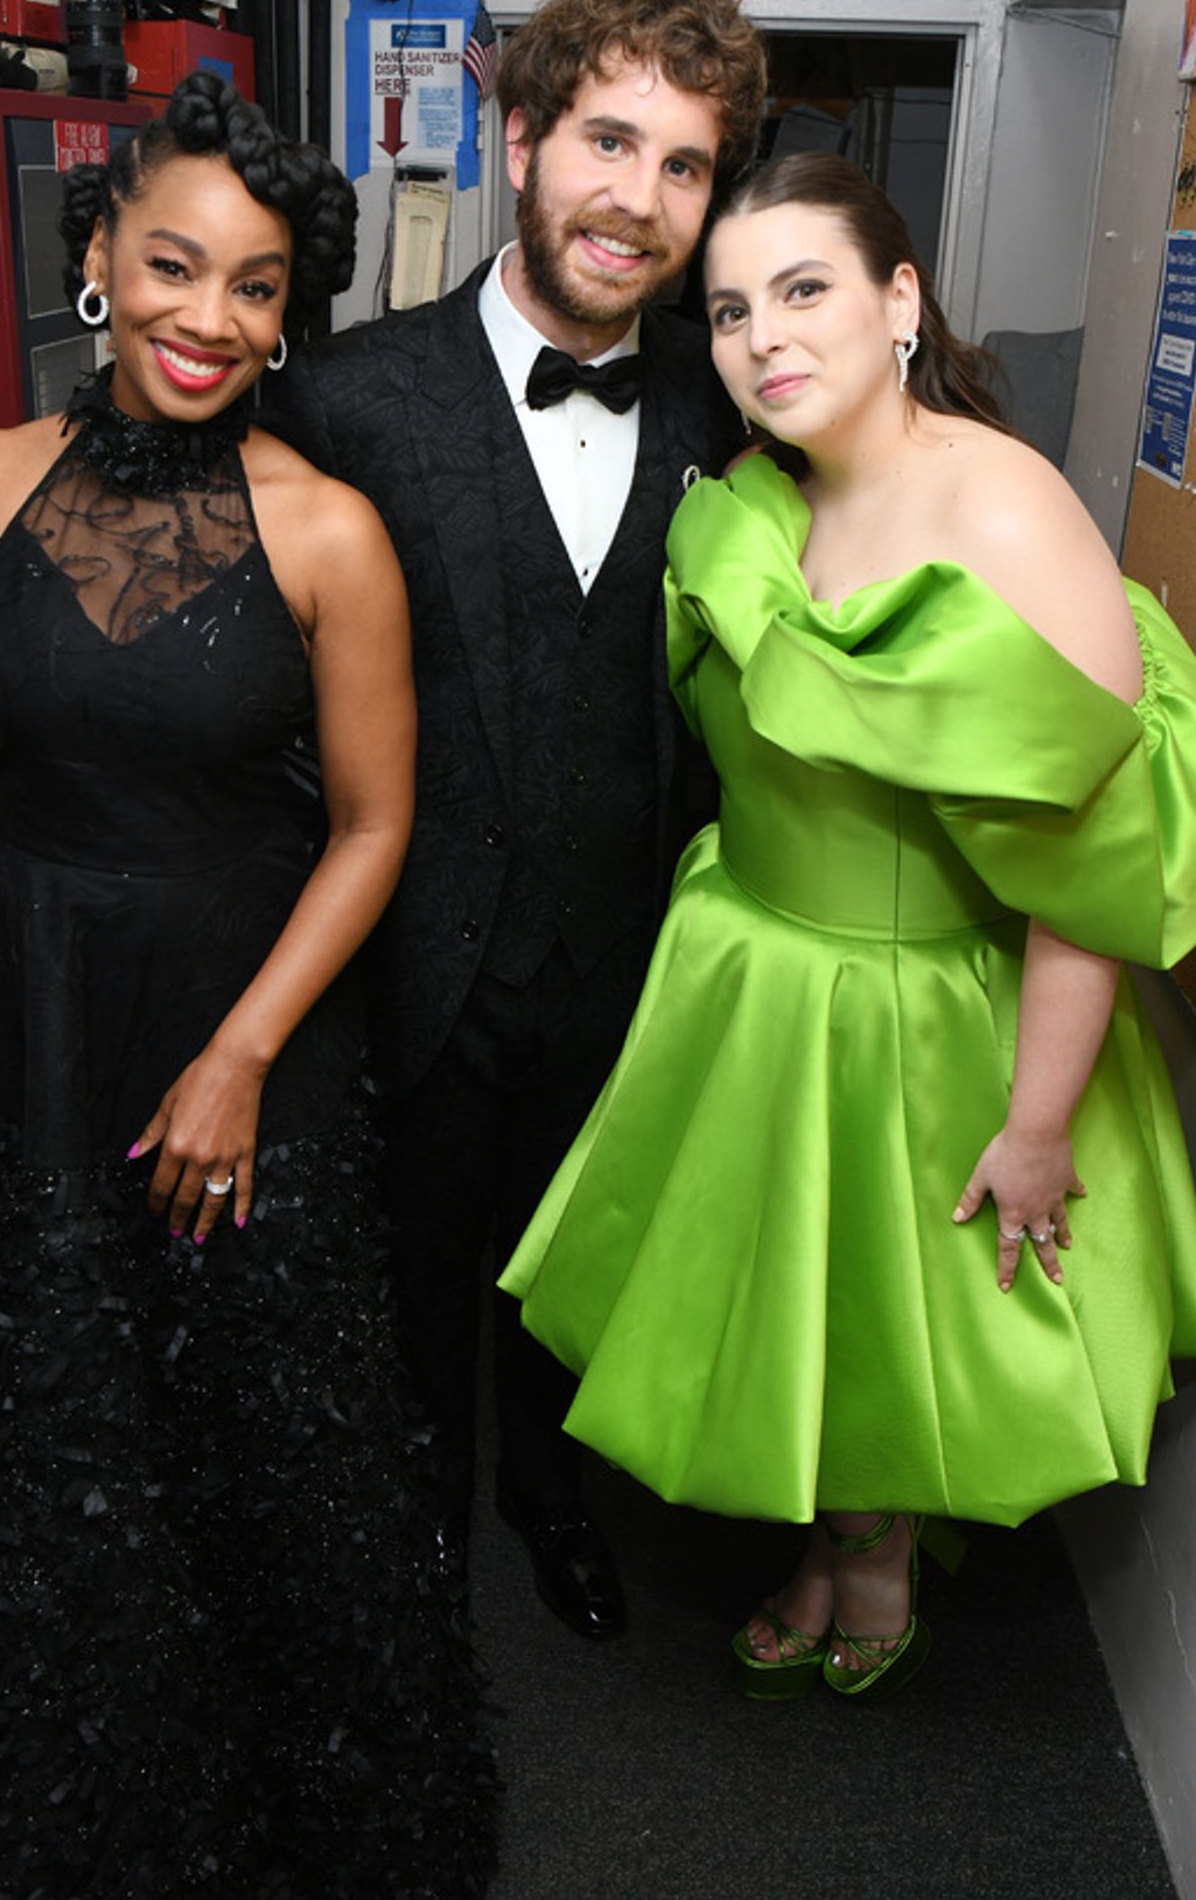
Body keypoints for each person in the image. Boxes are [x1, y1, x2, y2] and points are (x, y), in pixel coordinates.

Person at [0, 0, 768, 1642]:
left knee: (583, 1263)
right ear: (521, 140)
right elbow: (182, 604)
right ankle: (413, 1557)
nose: (638, 198)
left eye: (683, 165)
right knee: (391, 1303)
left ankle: (551, 1495)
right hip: (391, 965)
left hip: (632, 956)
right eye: (608, 142)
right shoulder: (349, 392)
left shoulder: (731, 398)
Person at [0, 74, 496, 1896]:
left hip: (235, 1029)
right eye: (174, 265)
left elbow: (375, 827)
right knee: (17, 1426)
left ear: (289, 313)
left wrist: (242, 1054)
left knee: (236, 1448)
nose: (208, 317)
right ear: (99, 255)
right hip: (17, 1021)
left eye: (256, 286)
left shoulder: (329, 533)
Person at [501, 151, 1196, 1700]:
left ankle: (874, 1562)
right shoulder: (763, 492)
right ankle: (835, 1541)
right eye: (730, 309)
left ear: (900, 299)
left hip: (924, 1004)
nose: (764, 337)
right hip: (756, 968)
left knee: (891, 1306)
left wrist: (1038, 1122)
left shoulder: (1006, 510)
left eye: (804, 289)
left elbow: (1094, 862)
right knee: (798, 1293)